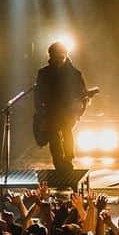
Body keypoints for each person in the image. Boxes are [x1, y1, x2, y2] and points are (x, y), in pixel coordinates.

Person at [34, 42, 88, 174]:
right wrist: (40, 112)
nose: (57, 57)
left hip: (68, 111)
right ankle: (59, 163)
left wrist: (79, 111)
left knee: (66, 133)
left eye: (60, 54)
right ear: (50, 55)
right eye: (54, 54)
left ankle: (68, 160)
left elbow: (82, 93)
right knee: (54, 138)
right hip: (51, 111)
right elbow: (38, 93)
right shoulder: (44, 73)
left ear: (65, 54)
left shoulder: (74, 73)